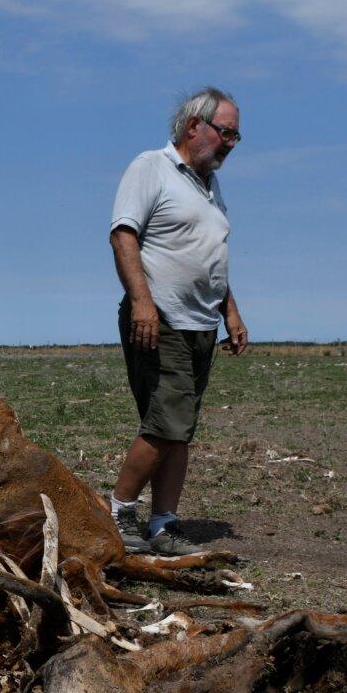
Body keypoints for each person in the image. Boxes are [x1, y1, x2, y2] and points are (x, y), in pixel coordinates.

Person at [107, 86, 248, 557]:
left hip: (201, 323)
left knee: (180, 427)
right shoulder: (152, 167)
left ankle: (164, 524)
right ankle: (119, 510)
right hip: (160, 318)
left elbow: (210, 256)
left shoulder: (209, 186)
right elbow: (123, 235)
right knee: (167, 422)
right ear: (195, 126)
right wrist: (142, 303)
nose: (231, 142)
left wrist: (230, 311)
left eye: (236, 136)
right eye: (226, 132)